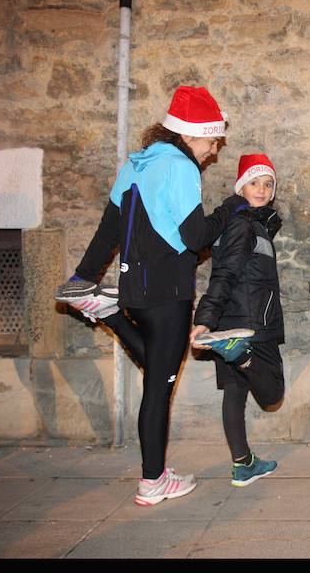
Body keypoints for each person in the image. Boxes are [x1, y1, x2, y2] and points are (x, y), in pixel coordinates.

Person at [53, 85, 241, 505]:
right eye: (212, 141)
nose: (213, 152)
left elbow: (108, 228)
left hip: (133, 289)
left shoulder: (137, 163)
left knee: (155, 369)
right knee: (159, 386)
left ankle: (106, 310)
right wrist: (232, 206)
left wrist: (84, 276)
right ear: (191, 135)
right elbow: (195, 238)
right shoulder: (182, 168)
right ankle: (152, 481)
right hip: (168, 290)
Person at [188, 153, 285, 488]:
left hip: (232, 320)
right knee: (272, 392)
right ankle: (240, 354)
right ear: (240, 186)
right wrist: (205, 316)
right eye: (254, 182)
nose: (261, 189)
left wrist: (211, 321)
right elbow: (225, 273)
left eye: (267, 183)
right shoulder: (244, 224)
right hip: (253, 322)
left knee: (235, 391)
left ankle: (243, 464)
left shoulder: (243, 222)